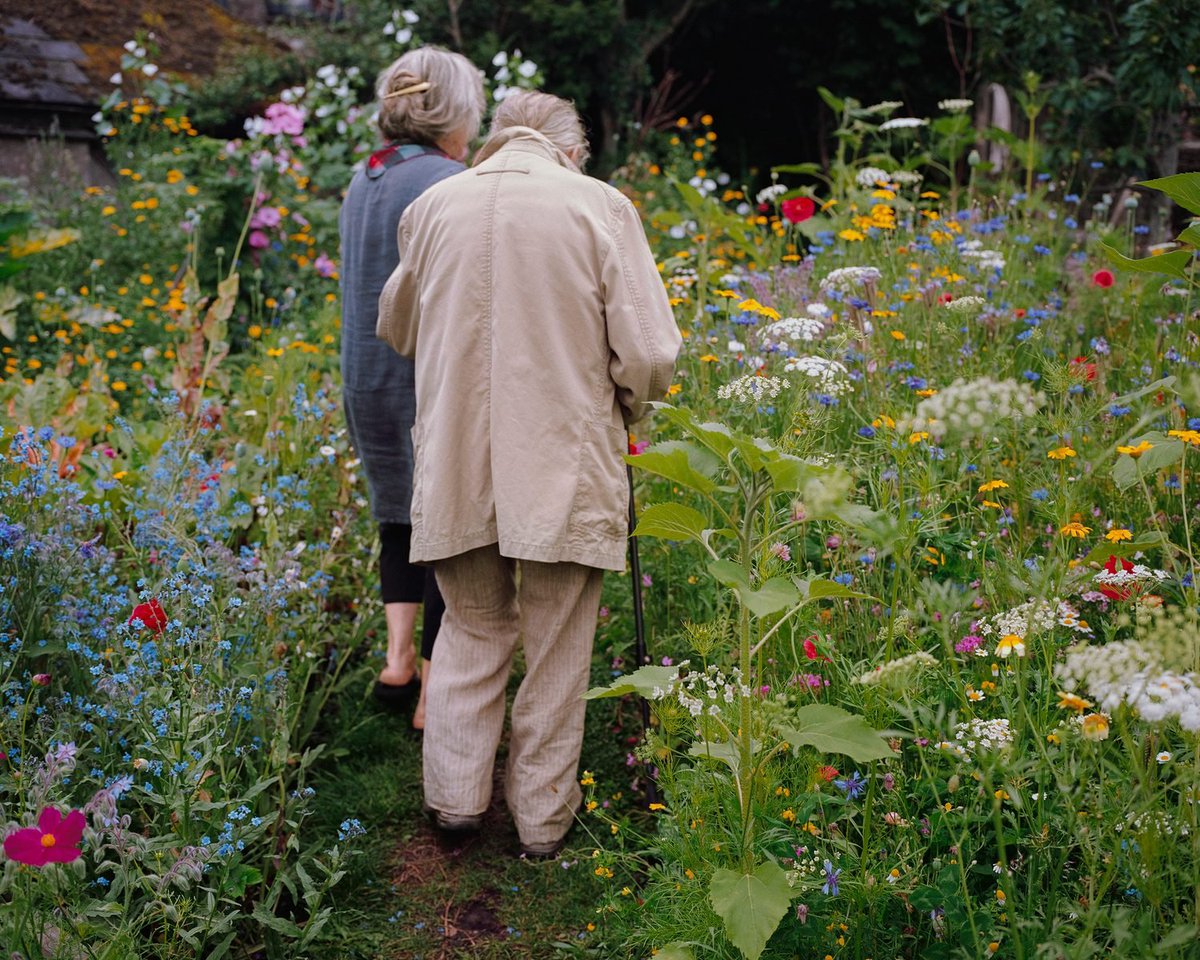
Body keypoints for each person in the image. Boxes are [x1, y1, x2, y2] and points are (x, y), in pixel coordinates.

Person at [377, 91, 682, 856]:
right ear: (571, 149)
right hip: (563, 455)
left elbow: (397, 324)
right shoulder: (599, 207)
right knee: (557, 640)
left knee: (473, 626)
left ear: (497, 135)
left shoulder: (436, 206)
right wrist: (629, 404)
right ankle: (542, 823)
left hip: (455, 457)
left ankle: (454, 803)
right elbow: (649, 353)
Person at [339, 46, 484, 729]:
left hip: (364, 374)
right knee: (445, 527)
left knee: (396, 515)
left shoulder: (364, 179)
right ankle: (433, 692)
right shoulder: (446, 181)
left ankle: (397, 661)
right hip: (421, 375)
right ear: (455, 112)